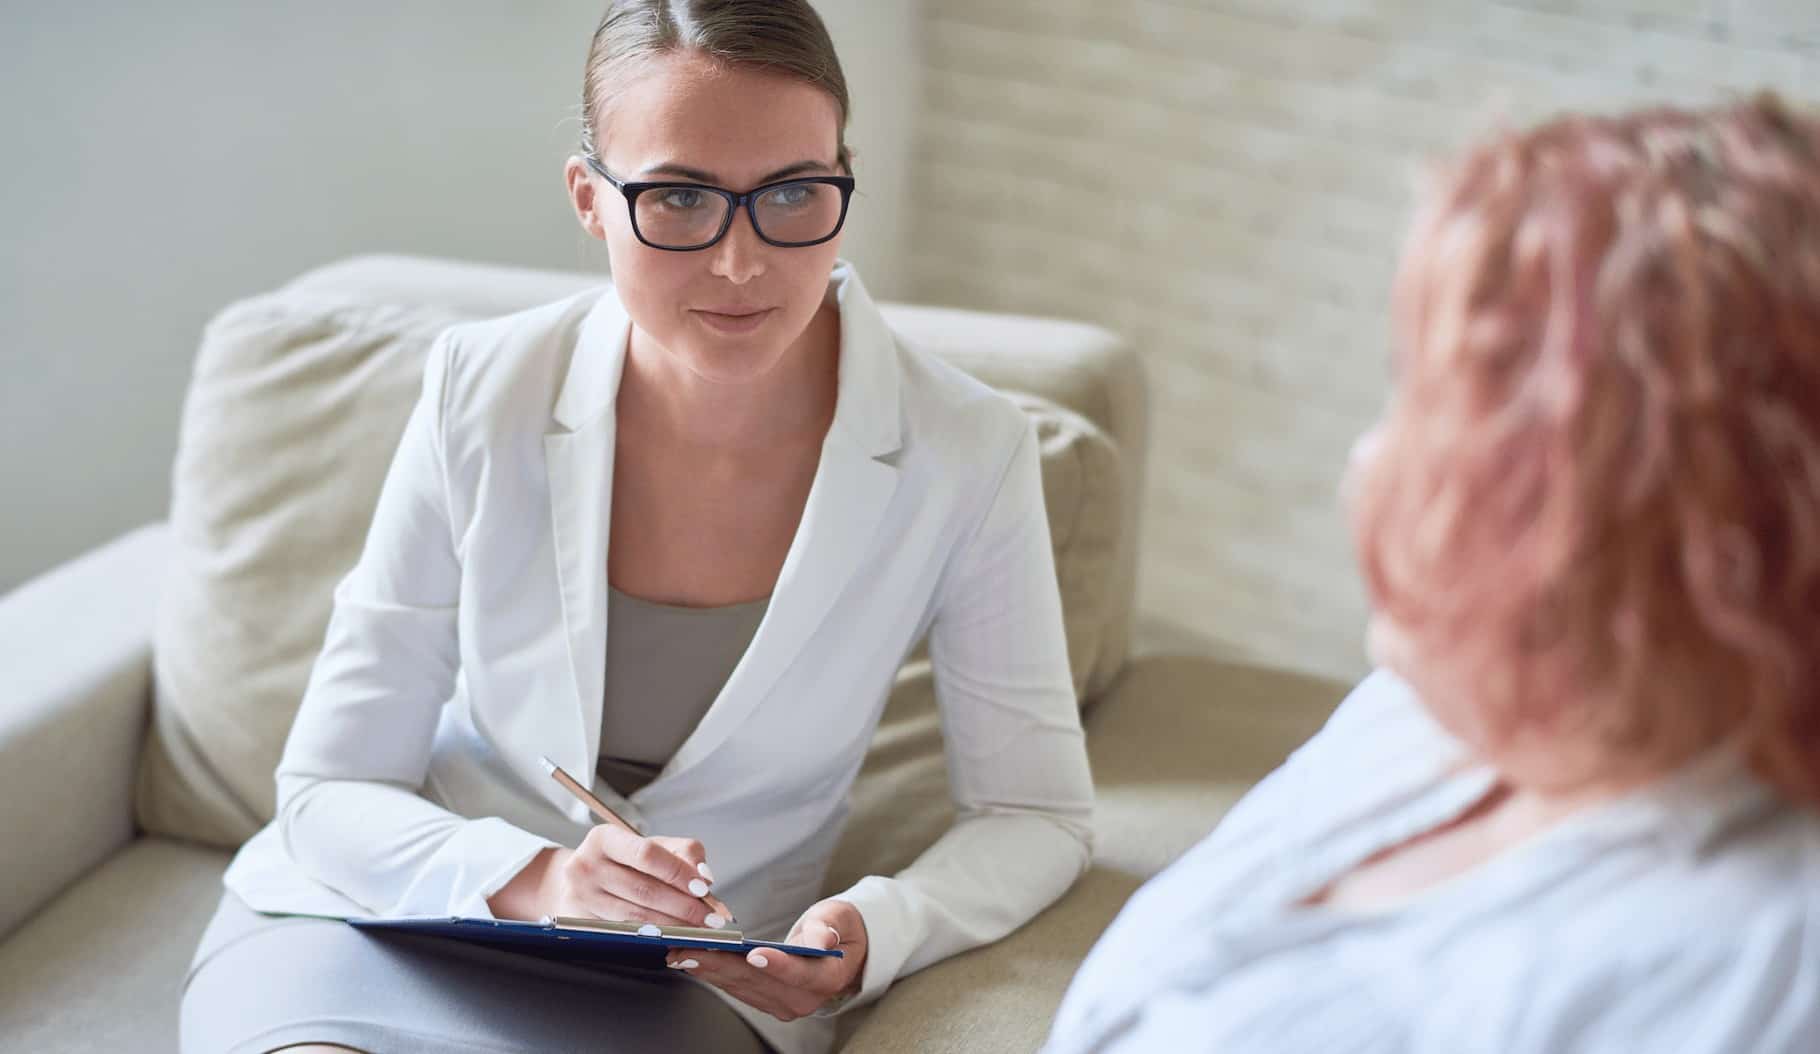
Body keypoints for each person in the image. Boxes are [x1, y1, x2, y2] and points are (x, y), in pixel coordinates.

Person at [179, 3, 1094, 1052]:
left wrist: (882, 925)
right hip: (385, 915)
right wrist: (538, 878)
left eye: (793, 192)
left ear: (843, 180)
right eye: (679, 197)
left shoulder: (965, 449)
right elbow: (330, 786)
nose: (741, 262)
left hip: (687, 984)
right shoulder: (477, 390)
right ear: (590, 199)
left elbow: (1037, 817)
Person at [1045, 94, 1820, 1053]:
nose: (1371, 461)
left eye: (1434, 408)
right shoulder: (1434, 706)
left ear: (1616, 498)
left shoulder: (1754, 976)